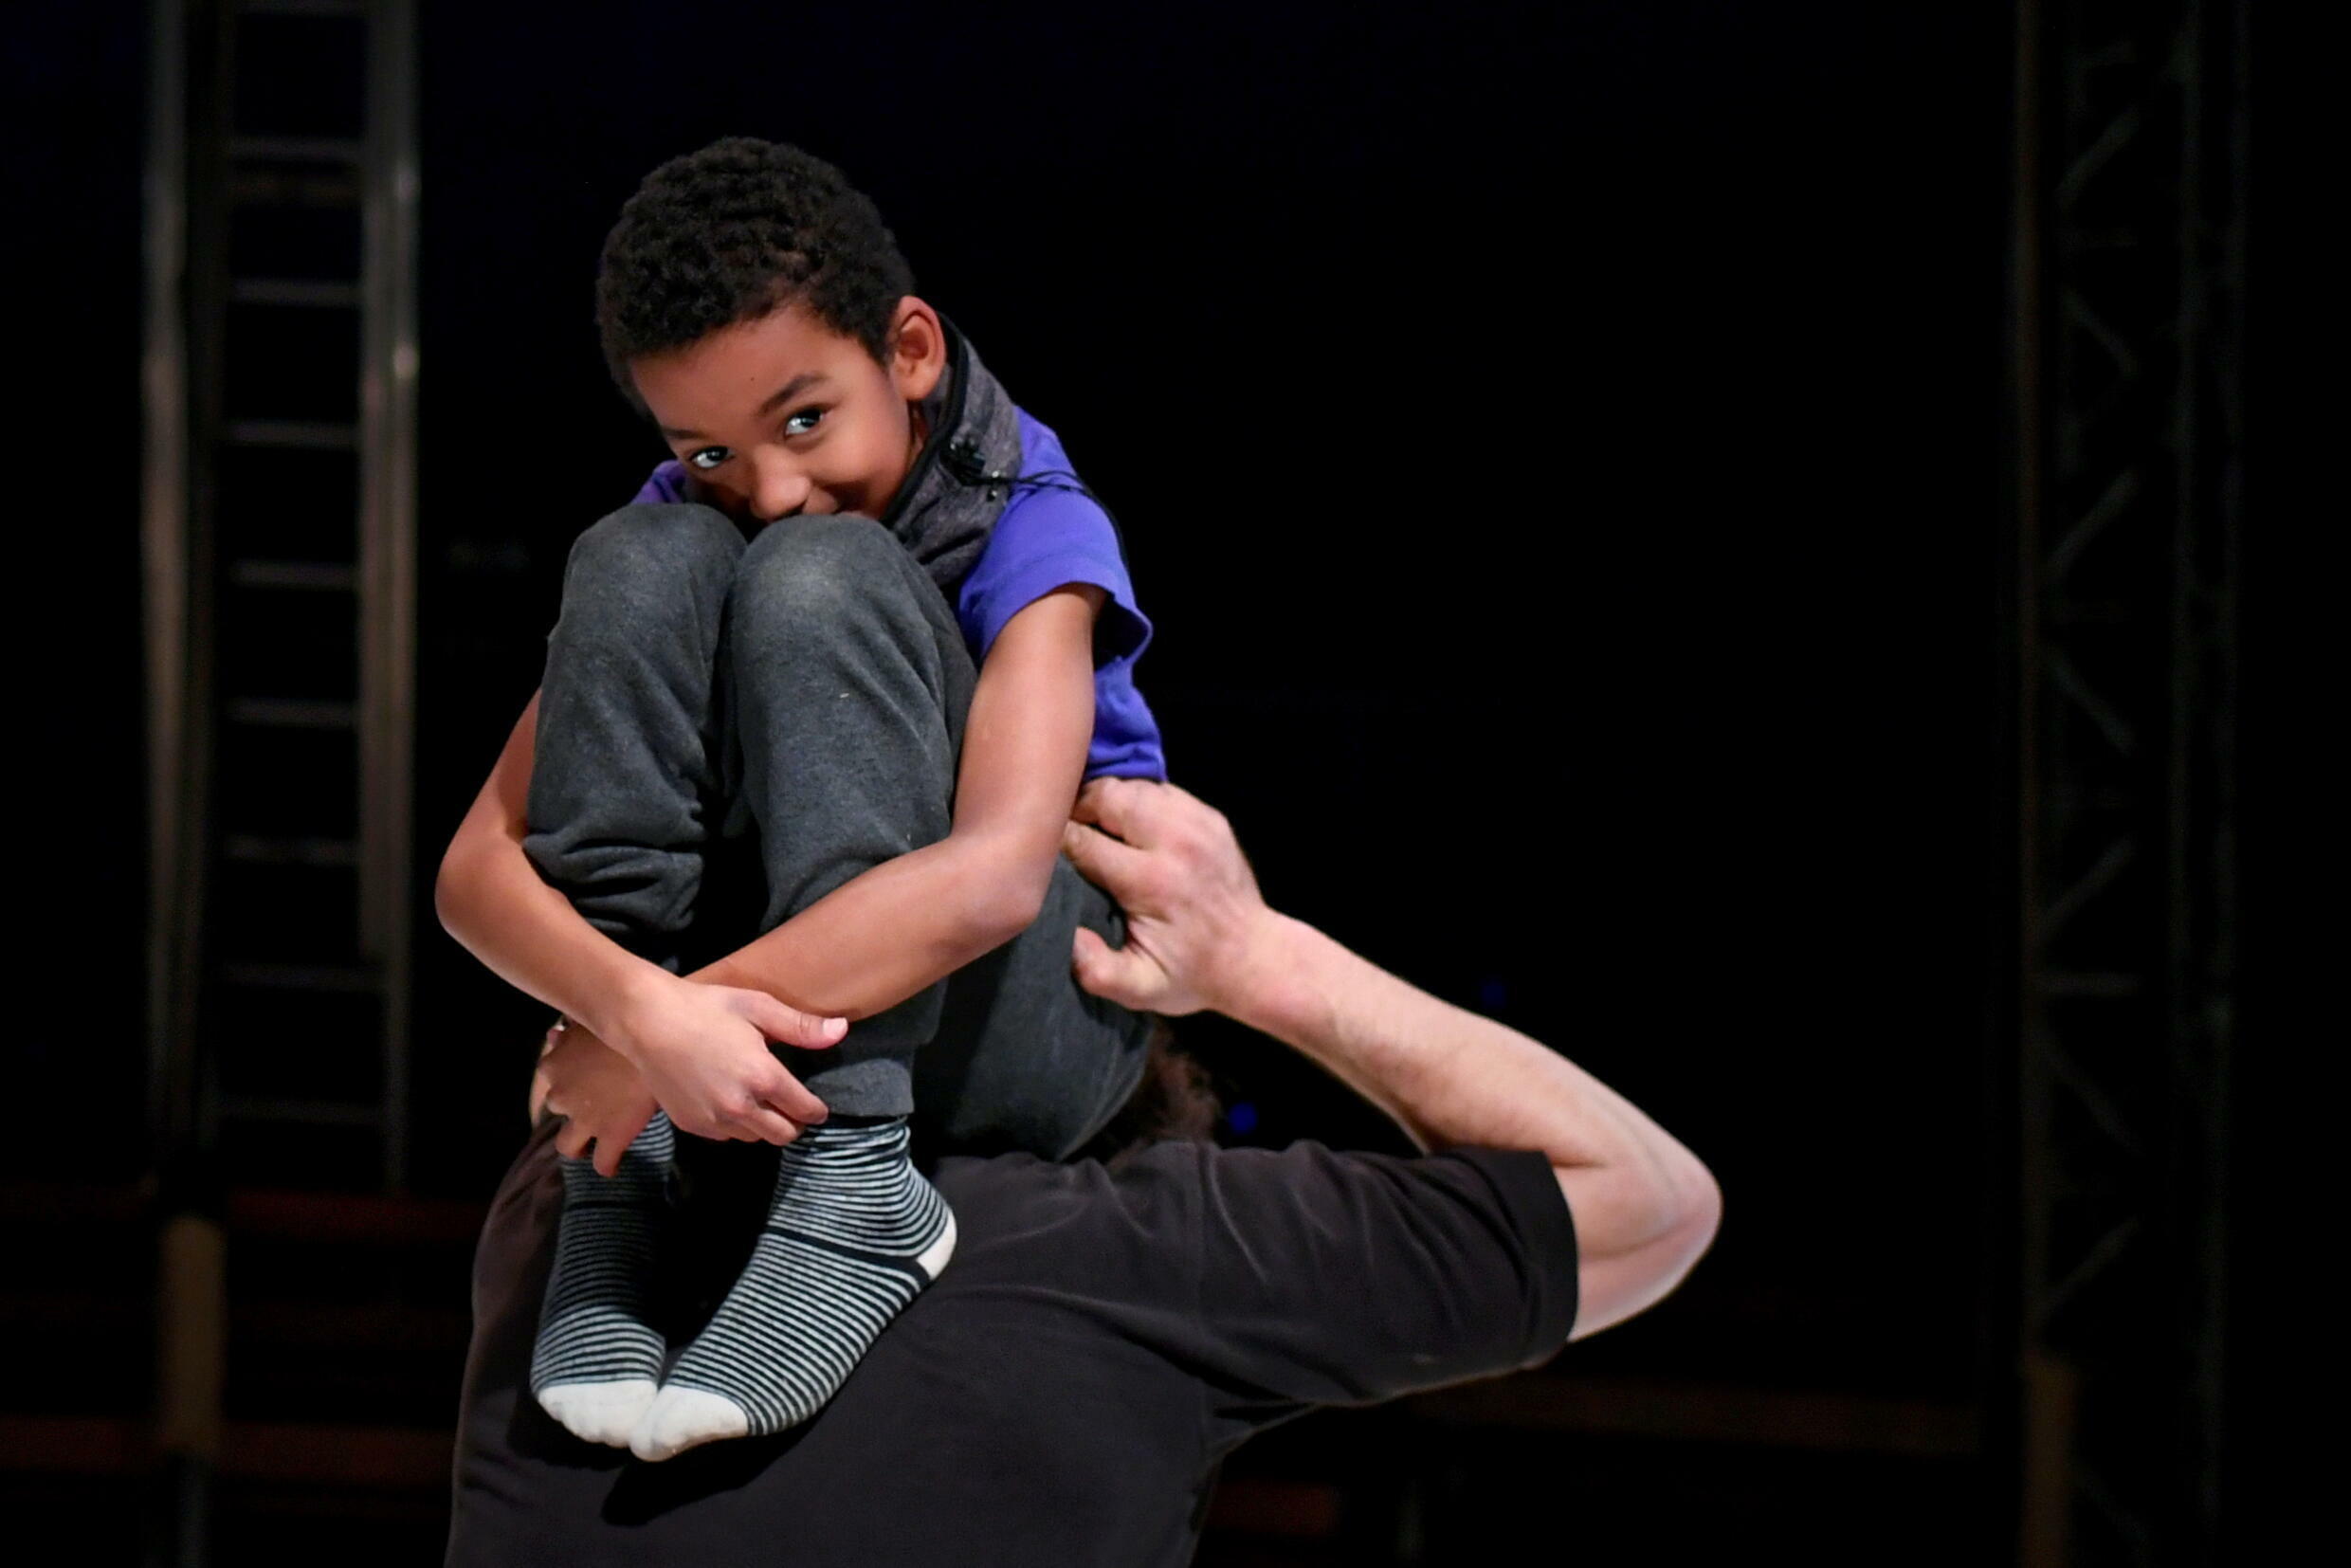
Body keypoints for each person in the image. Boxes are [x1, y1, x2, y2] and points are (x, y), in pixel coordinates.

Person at [444, 775, 1721, 1566]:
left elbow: (579, 1025)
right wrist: (1259, 959)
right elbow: (1648, 1204)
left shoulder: (573, 1208)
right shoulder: (1148, 1261)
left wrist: (672, 1011)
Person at [433, 137, 1167, 1462]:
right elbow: (472, 875)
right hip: (770, 994)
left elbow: (1000, 874)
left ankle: (859, 1186)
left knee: (817, 574)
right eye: (710, 445)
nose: (768, 485)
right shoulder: (694, 515)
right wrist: (636, 1009)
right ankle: (624, 1186)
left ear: (912, 352)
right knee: (636, 558)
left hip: (1042, 1005)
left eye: (805, 419)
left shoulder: (1033, 525)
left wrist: (654, 1038)